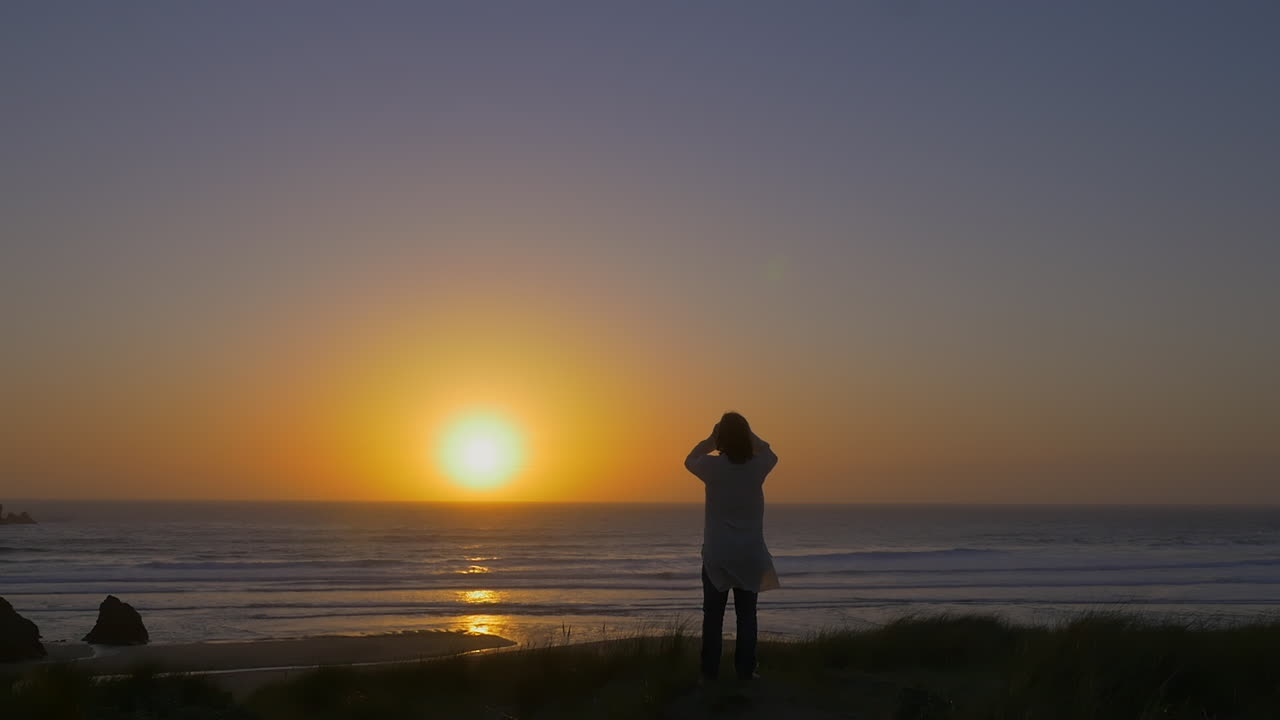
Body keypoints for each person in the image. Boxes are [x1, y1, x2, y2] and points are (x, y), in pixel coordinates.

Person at [684, 411, 779, 682]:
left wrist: (710, 440)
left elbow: (689, 460)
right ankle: (746, 671)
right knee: (746, 615)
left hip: (718, 554)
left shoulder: (712, 467)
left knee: (713, 616)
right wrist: (750, 437)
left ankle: (709, 674)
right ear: (747, 437)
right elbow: (771, 452)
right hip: (749, 554)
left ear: (721, 439)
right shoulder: (758, 465)